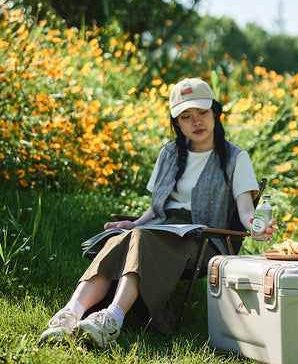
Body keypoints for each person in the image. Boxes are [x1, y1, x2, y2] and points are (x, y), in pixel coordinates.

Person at [39, 78, 277, 348]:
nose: (196, 122)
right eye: (186, 116)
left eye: (202, 112)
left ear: (215, 112)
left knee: (142, 238)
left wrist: (257, 225)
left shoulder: (236, 158)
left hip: (203, 239)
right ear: (177, 122)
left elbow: (246, 210)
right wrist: (133, 224)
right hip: (161, 227)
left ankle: (110, 320)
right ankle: (68, 316)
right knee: (121, 239)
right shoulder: (169, 154)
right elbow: (157, 206)